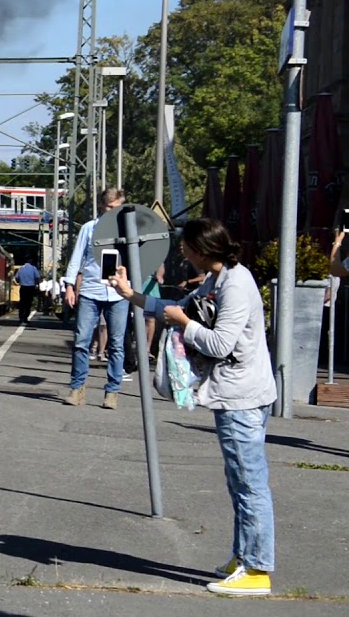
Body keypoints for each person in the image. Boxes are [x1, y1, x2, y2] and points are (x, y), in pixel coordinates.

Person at [110, 218, 276, 596]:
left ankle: (257, 570)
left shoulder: (235, 285)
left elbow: (220, 344)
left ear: (202, 249)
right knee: (239, 482)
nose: (181, 253)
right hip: (234, 394)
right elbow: (171, 306)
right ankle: (244, 556)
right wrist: (131, 295)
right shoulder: (219, 279)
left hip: (242, 397)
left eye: (185, 247)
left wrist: (184, 323)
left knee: (250, 485)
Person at [63, 188, 128, 409]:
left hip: (118, 293)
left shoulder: (128, 230)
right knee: (81, 341)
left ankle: (112, 392)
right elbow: (77, 256)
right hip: (91, 290)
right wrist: (70, 286)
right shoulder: (89, 228)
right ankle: (77, 388)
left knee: (117, 345)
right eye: (109, 207)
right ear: (102, 206)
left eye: (117, 207)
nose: (113, 211)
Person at [15, 259, 40, 324]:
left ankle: (21, 317)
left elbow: (17, 278)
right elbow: (37, 277)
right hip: (31, 287)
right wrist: (36, 284)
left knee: (22, 302)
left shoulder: (21, 268)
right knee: (28, 303)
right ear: (31, 262)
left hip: (23, 287)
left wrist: (20, 281)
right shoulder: (33, 268)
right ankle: (26, 317)